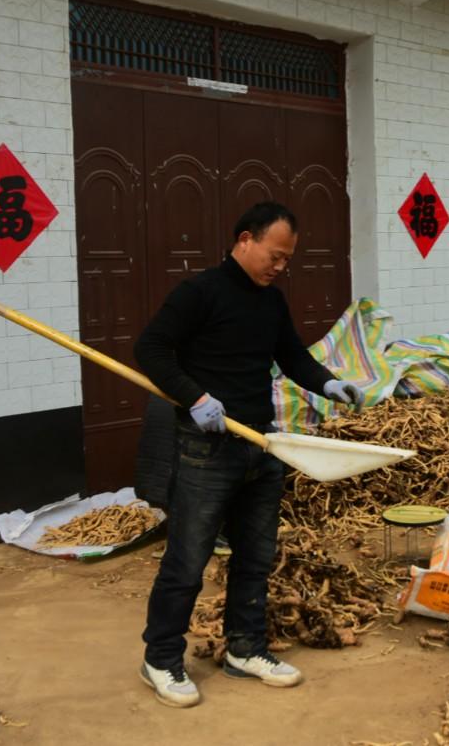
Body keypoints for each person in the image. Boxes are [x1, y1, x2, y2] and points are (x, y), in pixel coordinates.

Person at [133, 202, 363, 708]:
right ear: (244, 240)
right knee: (187, 561)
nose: (280, 267)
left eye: (287, 260)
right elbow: (150, 349)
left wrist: (330, 384)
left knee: (255, 559)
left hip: (261, 445)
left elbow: (293, 357)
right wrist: (194, 398)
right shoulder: (199, 293)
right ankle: (161, 658)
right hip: (205, 451)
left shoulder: (271, 303)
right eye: (275, 256)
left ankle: (245, 648)